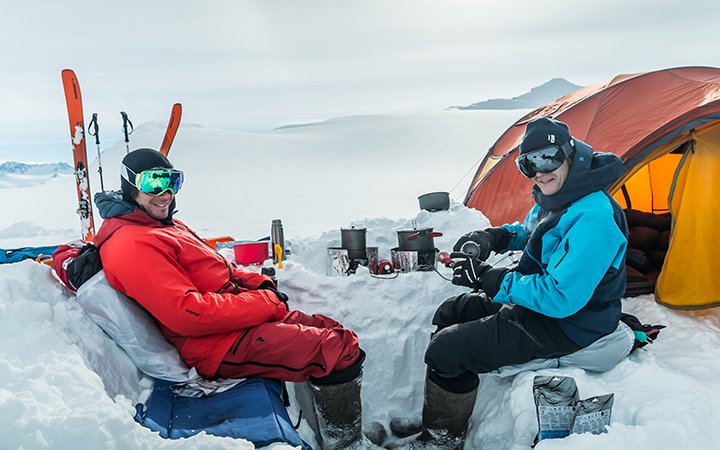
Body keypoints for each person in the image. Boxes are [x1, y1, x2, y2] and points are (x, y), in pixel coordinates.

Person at [91, 148, 380, 450]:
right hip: (213, 345)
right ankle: (346, 445)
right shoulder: (133, 243)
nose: (164, 193)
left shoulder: (164, 225)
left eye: (172, 182)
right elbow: (188, 314)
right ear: (130, 185)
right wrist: (266, 303)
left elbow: (220, 270)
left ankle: (338, 434)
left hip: (232, 322)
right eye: (153, 183)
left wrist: (262, 284)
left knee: (331, 329)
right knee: (336, 348)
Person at [394, 117, 628, 449]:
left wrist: (494, 280)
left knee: (447, 350)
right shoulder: (566, 194)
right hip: (542, 306)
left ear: (570, 153)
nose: (539, 171)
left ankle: (440, 441)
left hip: (571, 324)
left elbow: (560, 297)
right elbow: (539, 232)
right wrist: (498, 237)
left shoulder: (594, 216)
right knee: (451, 312)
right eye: (527, 164)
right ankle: (440, 419)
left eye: (547, 157)